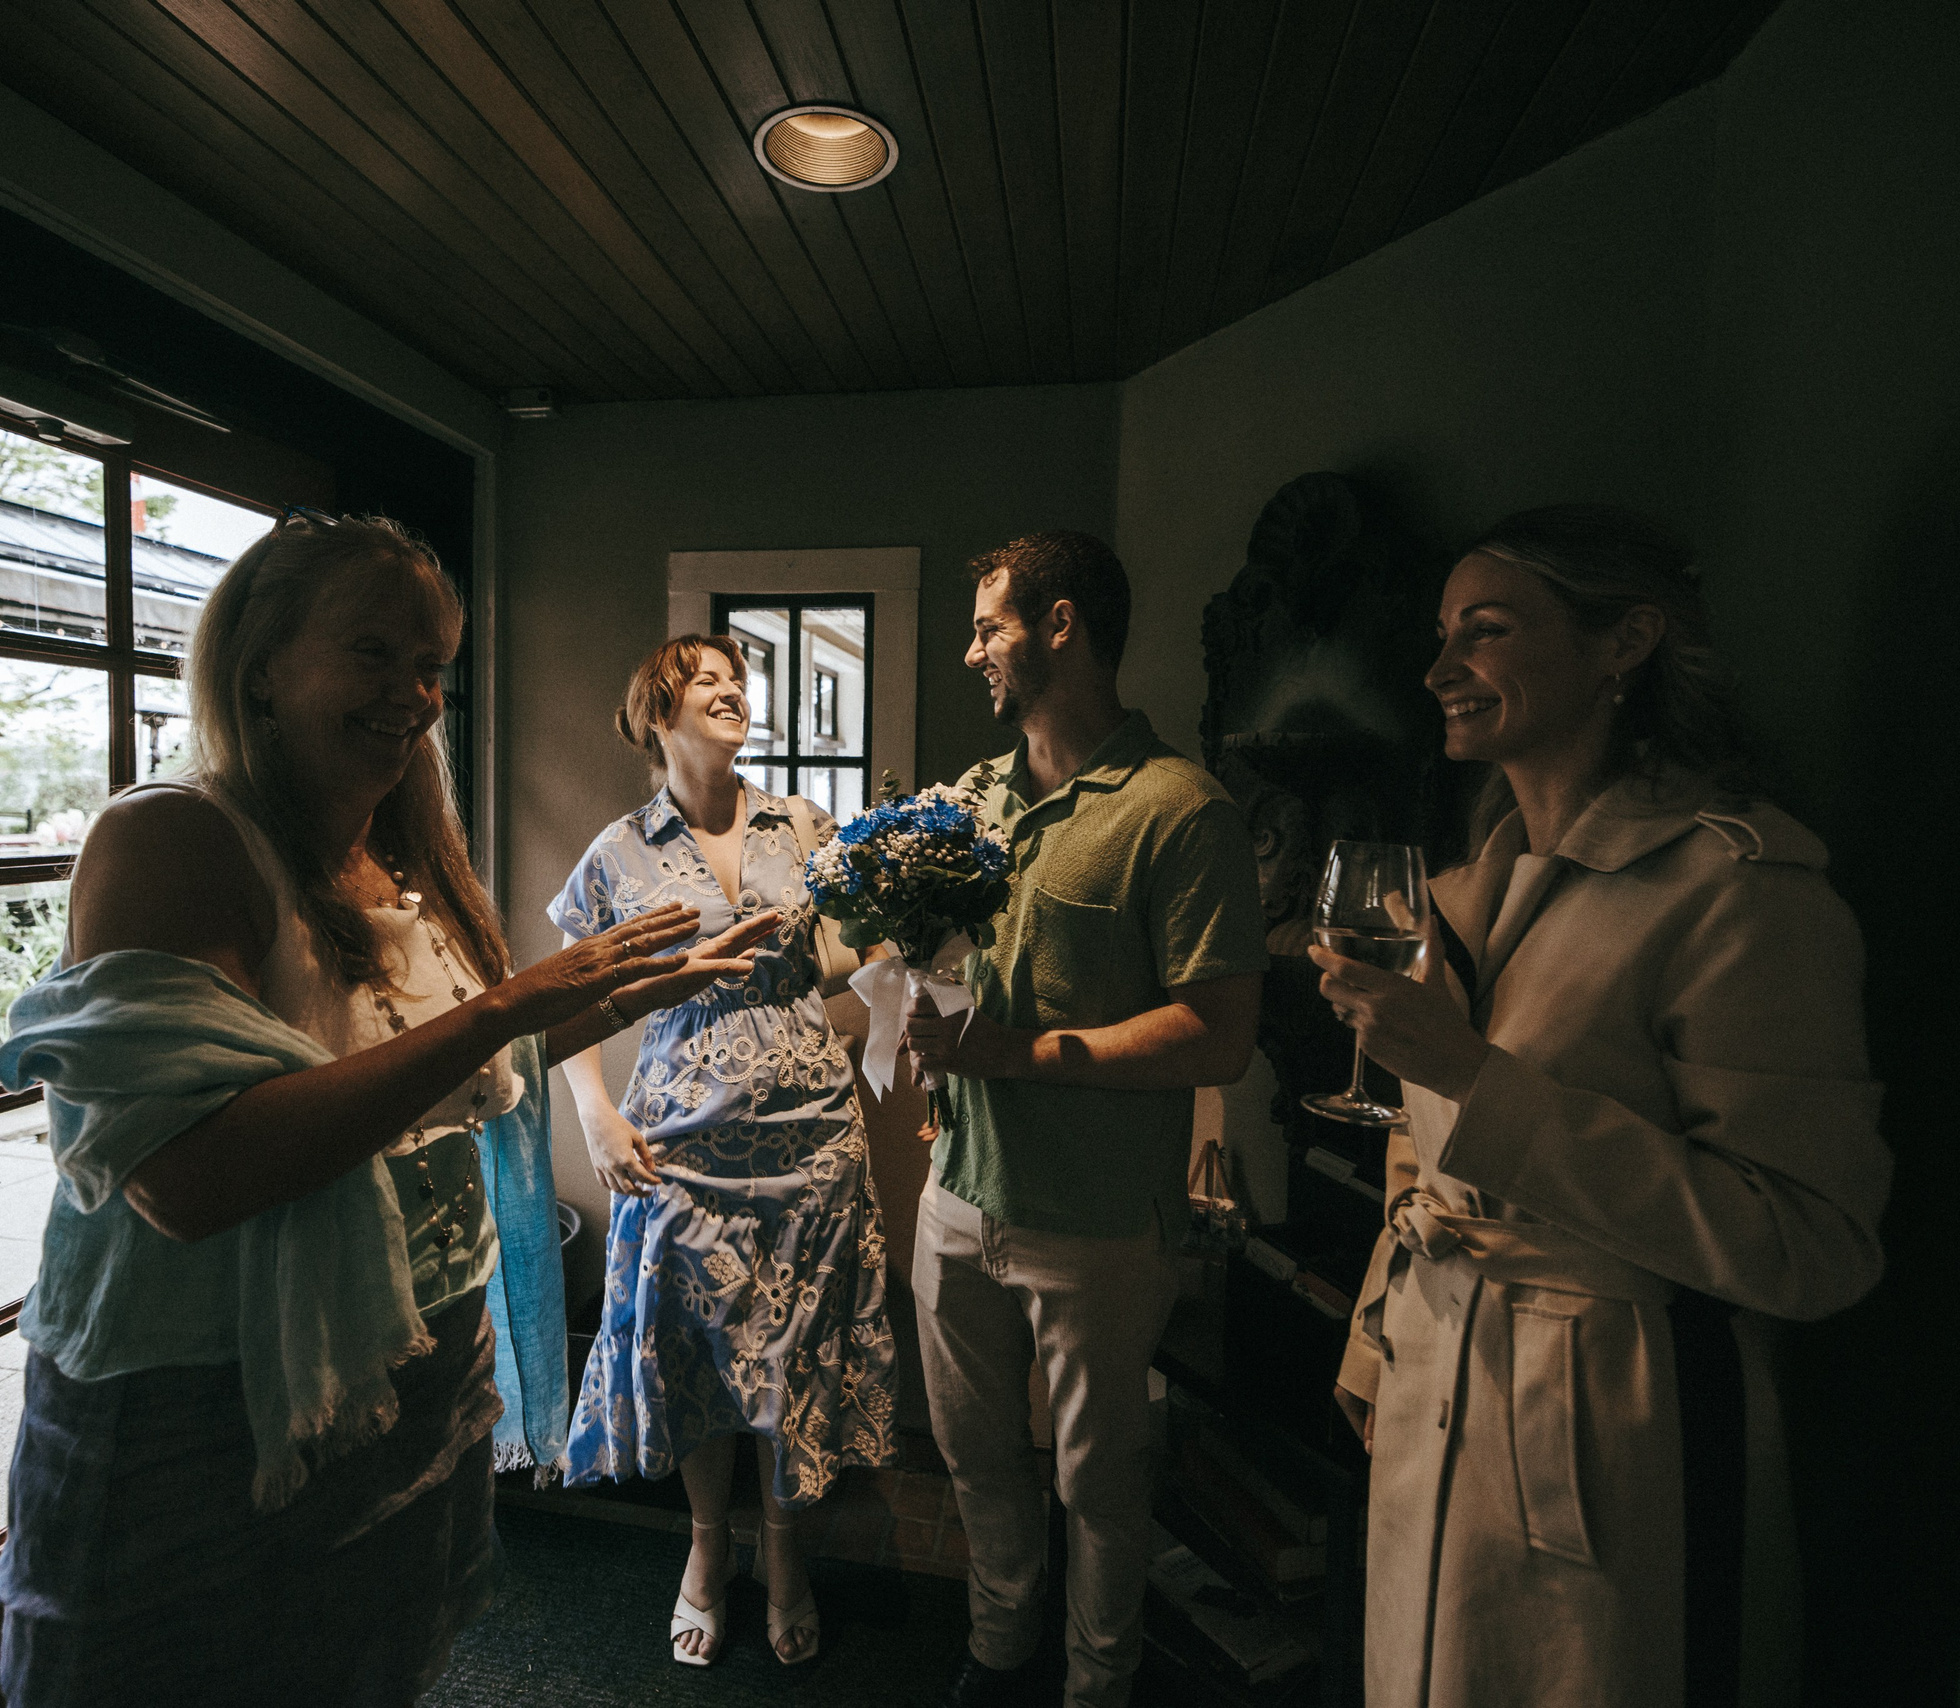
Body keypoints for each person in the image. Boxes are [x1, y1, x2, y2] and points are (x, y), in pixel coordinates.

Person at [0, 513, 770, 1708]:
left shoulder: (401, 859)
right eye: (374, 653)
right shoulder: (173, 838)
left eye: (433, 667)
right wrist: (505, 1005)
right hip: (214, 1410)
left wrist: (631, 991)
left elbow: (452, 1079)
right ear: (259, 665)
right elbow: (185, 1175)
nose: (415, 694)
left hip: (409, 1372)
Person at [1312, 506, 1890, 1708]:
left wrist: (1476, 1080)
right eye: (1439, 634)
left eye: (1486, 630)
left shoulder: (1738, 891)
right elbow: (1418, 1159)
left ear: (1622, 642)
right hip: (1435, 1384)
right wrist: (1379, 1339)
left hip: (1613, 1421)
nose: (1438, 670)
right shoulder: (1466, 887)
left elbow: (1808, 1243)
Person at [906, 531, 1268, 1708]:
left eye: (987, 627)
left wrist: (1013, 1050)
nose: (971, 653)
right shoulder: (974, 799)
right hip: (956, 1196)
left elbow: (1216, 1034)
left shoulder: (1180, 809)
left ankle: (1094, 1686)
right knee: (975, 1459)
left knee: (1098, 1482)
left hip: (1101, 1225)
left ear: (1061, 625)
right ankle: (1000, 1646)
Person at [549, 634, 898, 1668]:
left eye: (737, 682)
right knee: (697, 1351)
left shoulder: (802, 824)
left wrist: (900, 924)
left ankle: (784, 1555)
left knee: (793, 1353)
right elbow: (566, 997)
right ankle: (706, 1550)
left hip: (812, 1135)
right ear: (656, 714)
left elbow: (846, 955)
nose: (730, 691)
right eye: (704, 681)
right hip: (678, 1144)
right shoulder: (618, 849)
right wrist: (594, 1115)